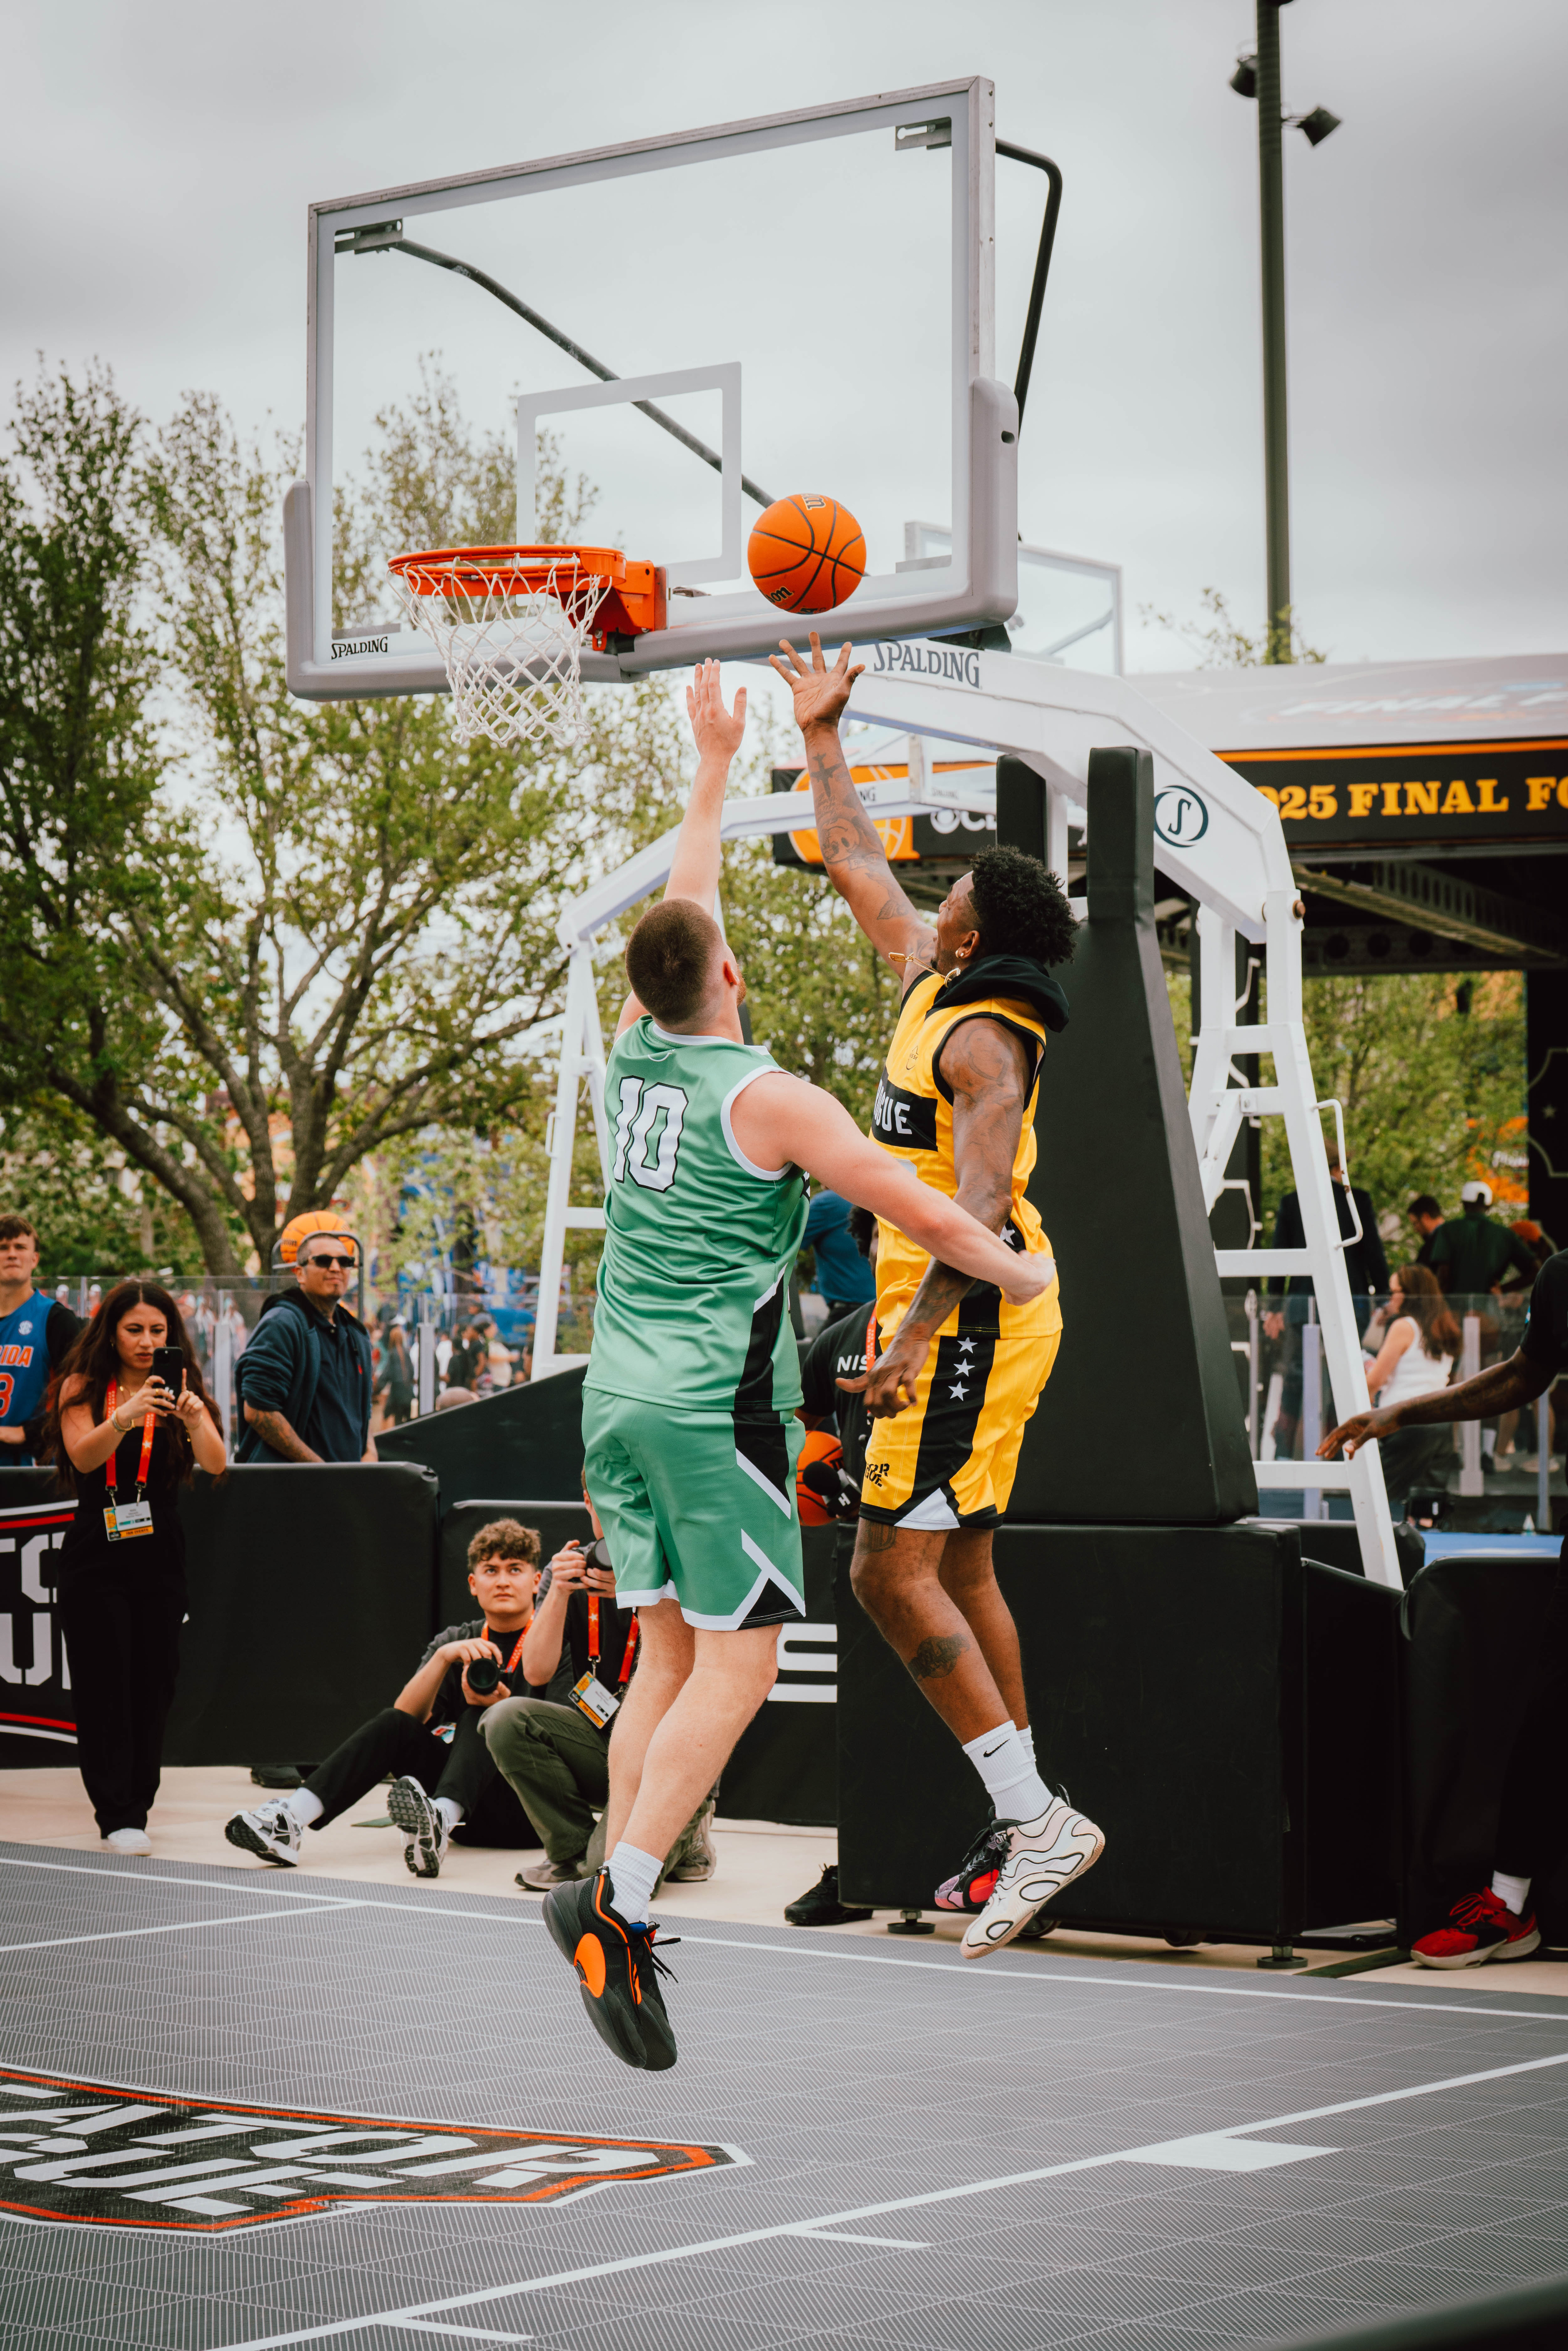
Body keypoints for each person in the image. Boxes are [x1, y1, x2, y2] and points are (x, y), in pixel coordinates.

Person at [541, 659, 1051, 2073]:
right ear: (731, 975)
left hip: (614, 1400)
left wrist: (713, 764)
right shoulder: (768, 1100)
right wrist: (1019, 1269)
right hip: (714, 1411)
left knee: (661, 1651)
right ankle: (619, 1902)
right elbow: (931, 1211)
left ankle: (605, 1875)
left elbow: (685, 907)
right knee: (745, 1668)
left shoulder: (639, 1055)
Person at [774, 631, 1100, 1962]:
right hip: (966, 1302)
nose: (935, 883)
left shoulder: (980, 1037)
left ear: (978, 925)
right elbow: (853, 855)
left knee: (881, 1568)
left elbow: (972, 1210)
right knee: (956, 1562)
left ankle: (1033, 1816)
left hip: (968, 1307)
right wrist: (821, 733)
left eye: (955, 882)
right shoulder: (930, 971)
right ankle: (1022, 1816)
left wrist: (907, 1339)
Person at [1319, 1245, 1568, 1967]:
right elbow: (1525, 1373)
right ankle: (1508, 1905)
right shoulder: (1559, 1277)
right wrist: (1398, 1414)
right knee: (1551, 1712)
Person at [225, 1519, 548, 1876]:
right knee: (393, 1723)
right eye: (491, 1570)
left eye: (515, 1569)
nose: (502, 1580)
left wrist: (499, 1710)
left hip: (530, 1812)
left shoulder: (552, 1641)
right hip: (465, 1822)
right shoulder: (457, 1641)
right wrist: (442, 1659)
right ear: (473, 1584)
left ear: (536, 1581)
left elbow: (557, 1739)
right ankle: (291, 1819)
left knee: (485, 1717)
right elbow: (406, 1717)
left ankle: (440, 1816)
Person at [43, 1282, 227, 1854]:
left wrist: (194, 1418)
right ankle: (114, 1811)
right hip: (97, 1544)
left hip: (159, 1545)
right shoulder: (83, 1386)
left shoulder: (182, 1387)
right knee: (104, 1681)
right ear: (111, 1331)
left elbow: (217, 1463)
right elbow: (83, 1456)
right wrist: (125, 1415)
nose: (147, 1342)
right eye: (134, 1330)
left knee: (154, 1681)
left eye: (157, 1331)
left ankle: (137, 1806)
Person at [486, 1488, 717, 1894]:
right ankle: (572, 1852)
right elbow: (537, 1672)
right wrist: (557, 1592)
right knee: (507, 1719)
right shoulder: (576, 1572)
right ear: (589, 1503)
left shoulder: (683, 1566)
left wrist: (648, 1597)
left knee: (611, 1882)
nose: (619, 1515)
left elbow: (705, 1676)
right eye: (605, 1501)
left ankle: (689, 1828)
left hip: (669, 1761)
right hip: (605, 1745)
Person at [786, 1204, 878, 1930]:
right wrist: (816, 1470)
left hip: (965, 1551)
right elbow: (806, 1426)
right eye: (880, 1236)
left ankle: (1002, 1853)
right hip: (861, 1560)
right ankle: (863, 1860)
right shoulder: (840, 1340)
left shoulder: (983, 1329)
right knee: (863, 1718)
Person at [235, 1231, 376, 1463]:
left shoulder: (357, 1334)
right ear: (299, 1273)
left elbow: (363, 1412)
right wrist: (317, 1469)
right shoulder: (282, 1324)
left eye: (345, 1261)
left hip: (346, 1488)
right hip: (292, 1490)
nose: (335, 1268)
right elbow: (259, 1411)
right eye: (323, 1260)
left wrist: (369, 1456)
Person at [1360, 1265, 1460, 1508]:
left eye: (1394, 1291)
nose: (1389, 1298)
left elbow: (1375, 1381)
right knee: (1427, 1504)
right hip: (1440, 1423)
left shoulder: (1404, 1327)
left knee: (1379, 1499)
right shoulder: (1444, 1327)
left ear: (1410, 1294)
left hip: (1405, 1420)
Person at [0, 1213, 82, 1466]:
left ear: (34, 1259)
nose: (12, 1254)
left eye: (20, 1247)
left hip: (29, 1464)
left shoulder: (57, 1320)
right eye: (3, 1248)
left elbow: (83, 1395)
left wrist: (27, 1433)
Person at [1427, 1181, 1540, 1304]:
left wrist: (1439, 1307)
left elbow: (1443, 1276)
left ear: (1464, 1204)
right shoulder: (1505, 1235)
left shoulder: (1447, 1230)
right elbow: (1536, 1270)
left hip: (1454, 1309)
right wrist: (1501, 1289)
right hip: (1488, 1312)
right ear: (1489, 1207)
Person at [802, 1186, 878, 1323]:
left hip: (848, 1312)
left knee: (823, 1345)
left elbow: (785, 1241)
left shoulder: (827, 1202)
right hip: (881, 1307)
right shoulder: (872, 1196)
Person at [374, 1320, 414, 1427]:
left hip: (397, 1394)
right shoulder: (406, 1352)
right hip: (408, 1393)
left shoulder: (392, 1354)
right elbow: (412, 1372)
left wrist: (377, 1387)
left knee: (395, 1420)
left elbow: (387, 1374)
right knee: (407, 1422)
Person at [1408, 1194, 1445, 1269]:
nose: (1415, 1230)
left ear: (1426, 1217)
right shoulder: (1455, 1236)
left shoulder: (1435, 1244)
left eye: (1415, 1223)